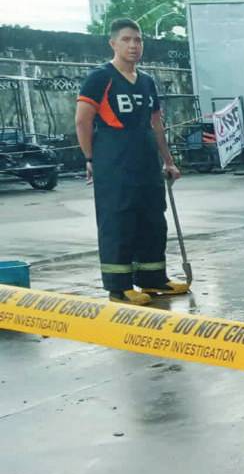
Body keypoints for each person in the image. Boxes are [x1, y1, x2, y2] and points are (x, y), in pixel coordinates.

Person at [75, 18, 189, 305]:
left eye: (138, 40)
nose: (133, 45)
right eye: (126, 39)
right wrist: (91, 158)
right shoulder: (101, 77)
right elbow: (82, 120)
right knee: (118, 221)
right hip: (114, 160)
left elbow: (156, 124)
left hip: (146, 159)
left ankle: (153, 279)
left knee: (152, 218)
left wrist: (168, 160)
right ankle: (119, 286)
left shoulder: (148, 82)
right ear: (113, 43)